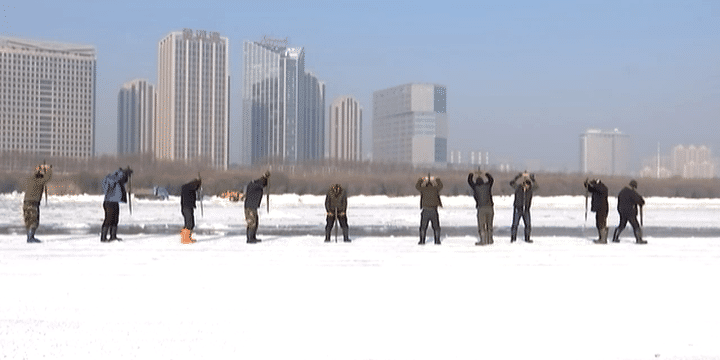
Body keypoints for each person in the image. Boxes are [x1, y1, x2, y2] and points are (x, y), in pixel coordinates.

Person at [23, 163, 53, 243]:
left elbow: (37, 174)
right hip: (33, 203)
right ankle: (30, 238)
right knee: (34, 221)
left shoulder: (31, 179)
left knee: (28, 220)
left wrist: (40, 168)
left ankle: (29, 237)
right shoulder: (40, 180)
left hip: (26, 202)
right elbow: (48, 177)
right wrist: (48, 168)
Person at [101, 167, 132, 242]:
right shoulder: (110, 178)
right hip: (109, 202)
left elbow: (123, 180)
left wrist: (127, 175)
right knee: (108, 219)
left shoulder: (118, 179)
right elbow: (115, 181)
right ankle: (103, 237)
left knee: (115, 219)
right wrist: (124, 174)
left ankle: (113, 236)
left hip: (115, 202)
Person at [612, 179, 646, 244]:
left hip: (622, 211)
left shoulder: (622, 191)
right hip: (630, 212)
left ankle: (615, 237)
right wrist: (641, 202)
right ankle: (639, 239)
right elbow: (639, 200)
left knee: (622, 225)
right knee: (636, 225)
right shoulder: (632, 192)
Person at [468, 171, 494, 245]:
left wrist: (471, 174)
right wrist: (486, 174)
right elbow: (491, 180)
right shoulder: (488, 186)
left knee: (482, 225)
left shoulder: (476, 187)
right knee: (489, 224)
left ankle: (483, 240)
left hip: (481, 208)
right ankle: (490, 240)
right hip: (490, 208)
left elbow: (470, 181)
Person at [415, 175, 443, 245]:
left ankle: (422, 241)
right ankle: (437, 241)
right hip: (434, 210)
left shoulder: (423, 189)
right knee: (436, 227)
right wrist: (436, 179)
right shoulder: (435, 189)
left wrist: (422, 179)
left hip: (425, 210)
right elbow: (440, 186)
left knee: (423, 227)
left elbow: (417, 186)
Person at [509, 172, 537, 243]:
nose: (527, 187)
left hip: (526, 210)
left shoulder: (530, 191)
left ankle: (527, 238)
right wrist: (518, 176)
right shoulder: (518, 188)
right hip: (518, 209)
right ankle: (513, 239)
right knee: (515, 224)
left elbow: (536, 186)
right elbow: (511, 183)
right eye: (526, 185)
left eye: (528, 185)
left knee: (528, 225)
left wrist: (532, 178)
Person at [244, 171, 270, 244]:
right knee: (252, 223)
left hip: (253, 207)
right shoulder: (253, 185)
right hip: (250, 207)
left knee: (255, 222)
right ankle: (250, 238)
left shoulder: (255, 184)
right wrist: (265, 178)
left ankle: (253, 237)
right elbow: (261, 184)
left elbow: (262, 183)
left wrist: (265, 177)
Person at [584, 178, 609, 244]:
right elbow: (591, 189)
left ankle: (603, 239)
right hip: (599, 209)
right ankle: (601, 238)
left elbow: (598, 188)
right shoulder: (597, 188)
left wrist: (593, 185)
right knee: (598, 223)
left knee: (601, 223)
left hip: (603, 208)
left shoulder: (602, 187)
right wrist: (587, 185)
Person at [180, 178, 202, 244]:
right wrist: (198, 184)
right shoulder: (187, 188)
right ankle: (185, 238)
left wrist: (198, 185)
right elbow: (193, 187)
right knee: (189, 224)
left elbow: (194, 188)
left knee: (190, 223)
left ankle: (186, 237)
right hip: (187, 208)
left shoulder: (188, 188)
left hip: (188, 207)